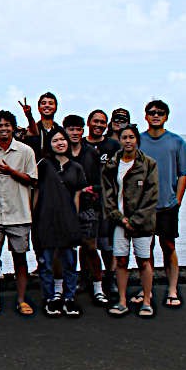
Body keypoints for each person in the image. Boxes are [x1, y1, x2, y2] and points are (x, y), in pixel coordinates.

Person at [0, 111, 38, 316]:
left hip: (19, 212)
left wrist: (12, 171)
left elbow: (33, 180)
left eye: (7, 125)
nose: (3, 129)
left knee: (20, 258)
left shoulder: (25, 151)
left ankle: (21, 300)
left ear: (13, 127)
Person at [139, 100, 186, 309]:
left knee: (168, 246)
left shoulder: (176, 141)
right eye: (152, 112)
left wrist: (177, 201)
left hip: (167, 205)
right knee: (146, 249)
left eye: (160, 113)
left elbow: (183, 173)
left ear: (166, 116)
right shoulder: (138, 141)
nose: (156, 116)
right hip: (143, 207)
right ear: (145, 116)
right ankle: (148, 290)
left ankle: (172, 289)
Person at [102, 125, 159, 318]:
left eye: (131, 137)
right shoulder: (112, 164)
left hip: (142, 223)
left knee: (144, 261)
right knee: (121, 261)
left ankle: (147, 301)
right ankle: (122, 301)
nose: (127, 141)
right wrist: (120, 219)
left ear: (137, 140)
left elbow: (151, 197)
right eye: (124, 137)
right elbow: (107, 195)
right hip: (119, 222)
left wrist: (134, 220)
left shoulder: (148, 164)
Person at [33, 127, 87, 318]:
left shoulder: (76, 168)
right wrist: (34, 217)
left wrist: (74, 219)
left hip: (68, 220)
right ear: (49, 144)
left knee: (70, 262)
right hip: (46, 219)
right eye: (55, 140)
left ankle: (69, 298)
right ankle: (50, 298)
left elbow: (77, 197)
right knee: (46, 263)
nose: (60, 143)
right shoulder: (44, 165)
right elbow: (36, 192)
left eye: (62, 139)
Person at [63, 114, 110, 306]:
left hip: (89, 207)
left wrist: (90, 190)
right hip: (65, 208)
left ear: (83, 130)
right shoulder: (60, 152)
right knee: (67, 249)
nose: (74, 133)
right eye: (71, 129)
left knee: (90, 247)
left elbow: (101, 182)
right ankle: (71, 286)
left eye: (78, 129)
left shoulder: (91, 153)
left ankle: (98, 288)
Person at [82, 109, 121, 300]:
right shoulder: (80, 144)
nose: (98, 125)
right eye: (95, 121)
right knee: (86, 244)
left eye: (102, 122)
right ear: (88, 122)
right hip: (85, 202)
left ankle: (110, 278)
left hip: (107, 202)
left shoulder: (113, 145)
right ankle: (86, 277)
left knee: (107, 244)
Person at [19, 92, 62, 158]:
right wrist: (29, 115)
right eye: (43, 103)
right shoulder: (31, 131)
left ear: (56, 107)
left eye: (51, 103)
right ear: (38, 108)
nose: (47, 105)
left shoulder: (60, 131)